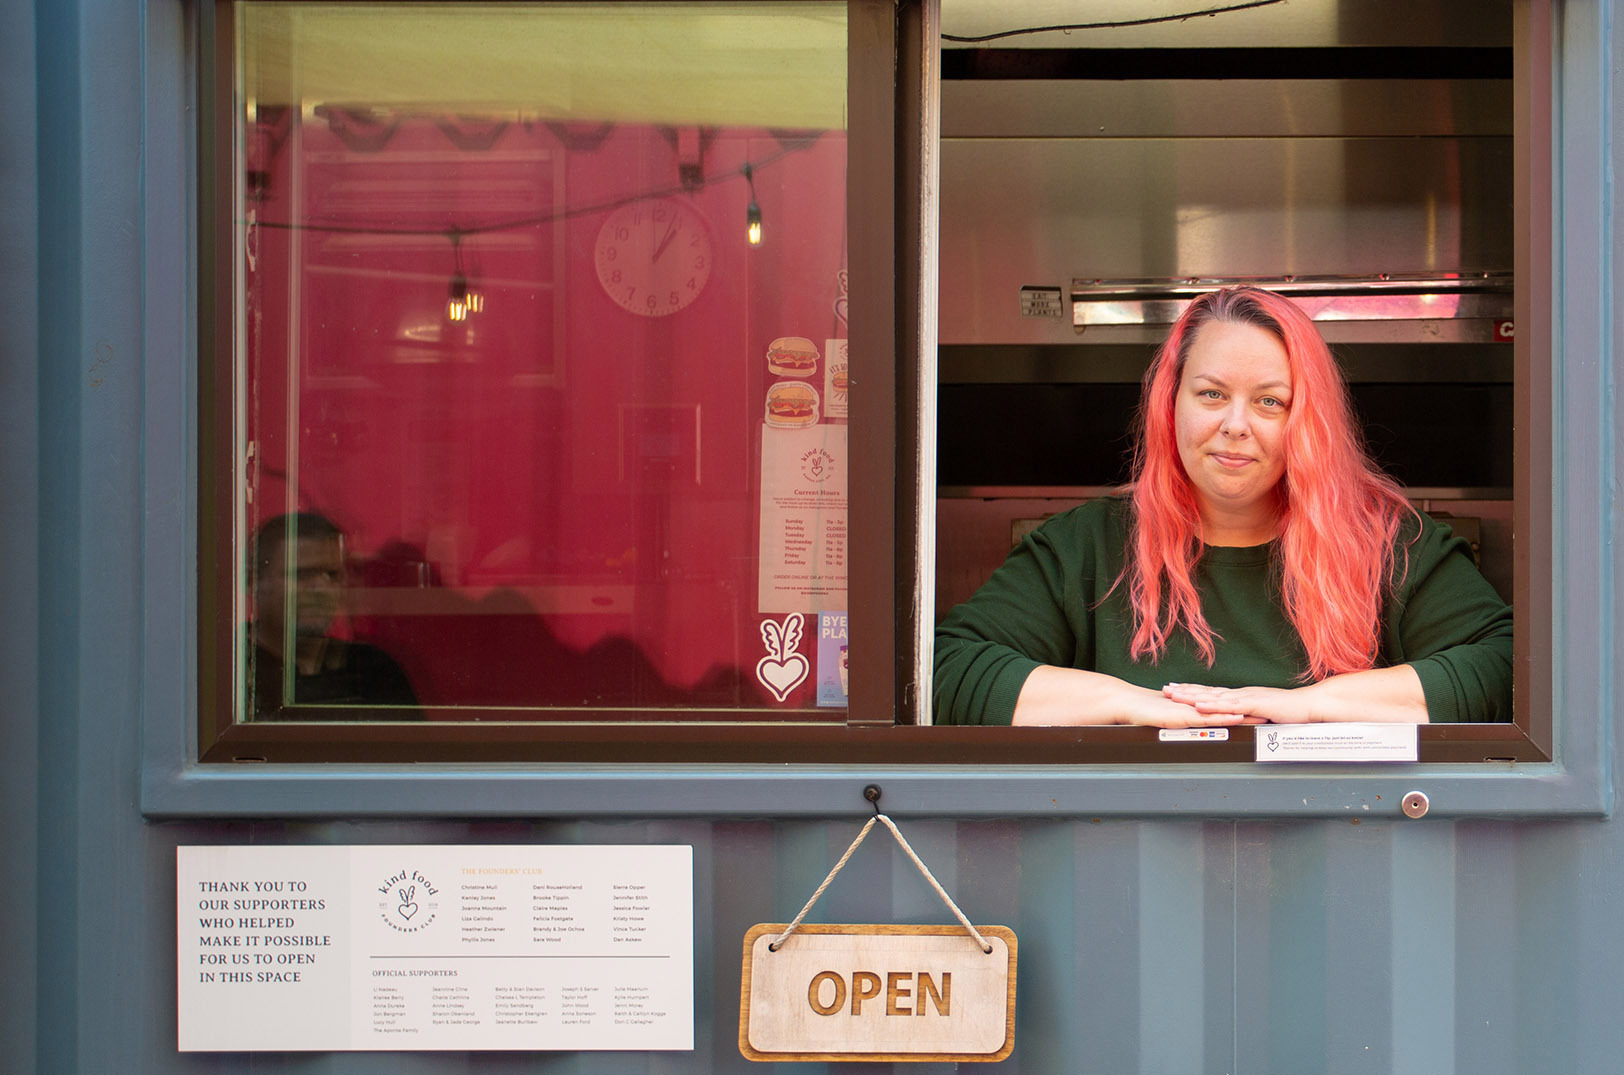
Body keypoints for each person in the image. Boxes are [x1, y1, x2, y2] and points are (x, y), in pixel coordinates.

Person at [933, 286, 1512, 728]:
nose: (1235, 425)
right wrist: (1131, 704)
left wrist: (1310, 706)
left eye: (1270, 402)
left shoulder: (1389, 543)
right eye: (1212, 394)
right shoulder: (1085, 545)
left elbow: (1508, 668)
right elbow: (945, 670)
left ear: (1307, 420)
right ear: (1171, 403)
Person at [246, 512, 420, 720]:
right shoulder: (232, 671)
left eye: (332, 575)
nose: (321, 589)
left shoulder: (374, 671)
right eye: (301, 574)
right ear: (255, 583)